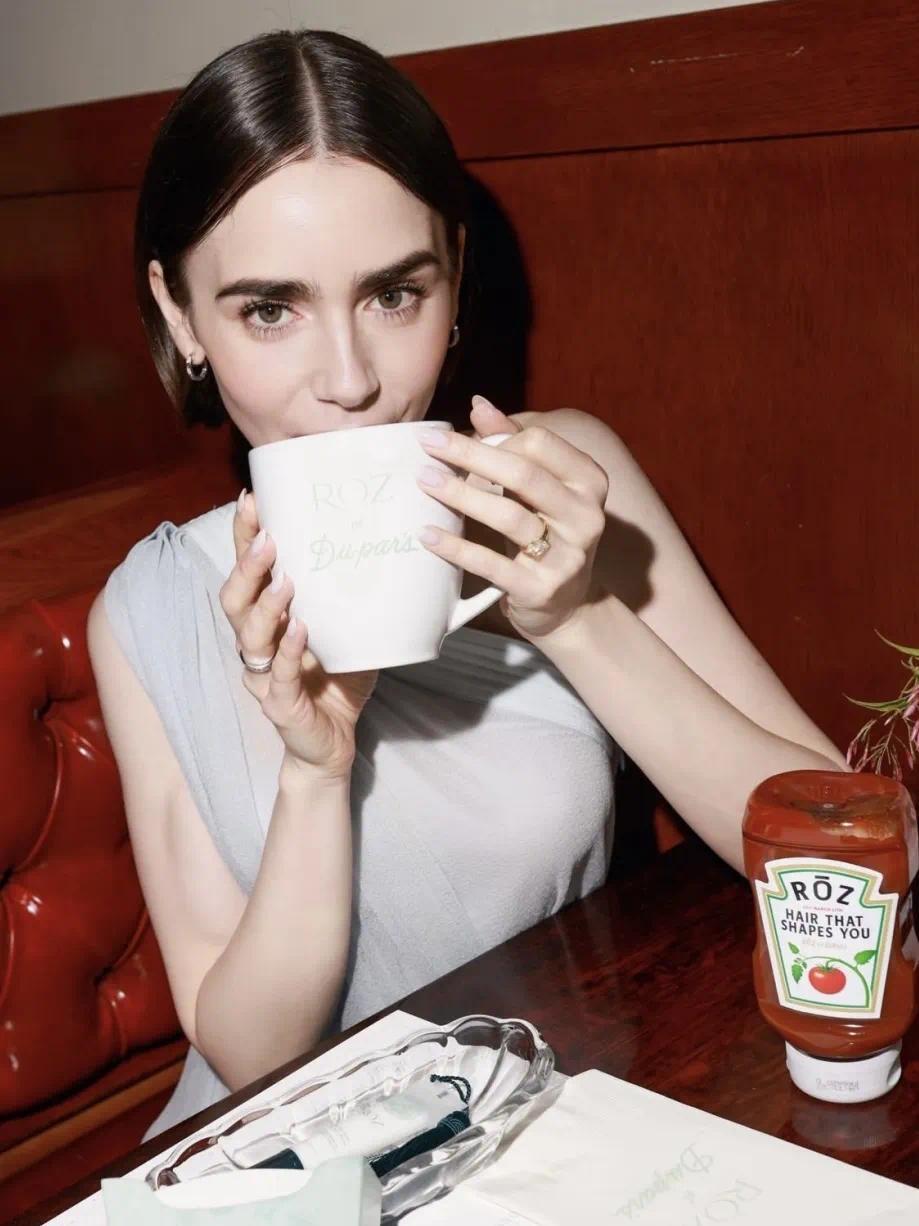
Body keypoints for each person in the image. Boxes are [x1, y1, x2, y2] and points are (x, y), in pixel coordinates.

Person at [87, 28, 846, 1139]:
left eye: (394, 294)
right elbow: (253, 1060)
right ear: (178, 314)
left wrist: (576, 619)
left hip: (565, 1114)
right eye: (269, 309)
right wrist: (316, 772)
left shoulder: (563, 485)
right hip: (306, 1164)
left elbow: (838, 853)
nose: (349, 379)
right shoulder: (151, 609)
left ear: (453, 273)